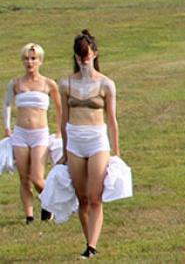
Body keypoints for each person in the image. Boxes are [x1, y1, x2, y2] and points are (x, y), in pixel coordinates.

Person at [58, 30, 120, 259]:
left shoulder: (106, 84)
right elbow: (63, 120)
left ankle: (91, 246)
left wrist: (116, 152)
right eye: (80, 56)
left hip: (97, 140)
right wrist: (64, 151)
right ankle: (89, 241)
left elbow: (112, 121)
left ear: (95, 54)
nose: (84, 60)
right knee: (81, 197)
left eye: (87, 55)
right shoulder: (65, 84)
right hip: (75, 140)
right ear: (75, 57)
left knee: (95, 196)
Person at [4, 42, 61, 223]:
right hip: (20, 133)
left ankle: (49, 203)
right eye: (27, 59)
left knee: (37, 177)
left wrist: (60, 130)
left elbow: (61, 108)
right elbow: (6, 104)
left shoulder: (48, 84)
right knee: (24, 178)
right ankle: (29, 216)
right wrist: (6, 127)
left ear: (40, 61)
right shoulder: (15, 83)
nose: (30, 62)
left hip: (40, 134)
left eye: (33, 58)